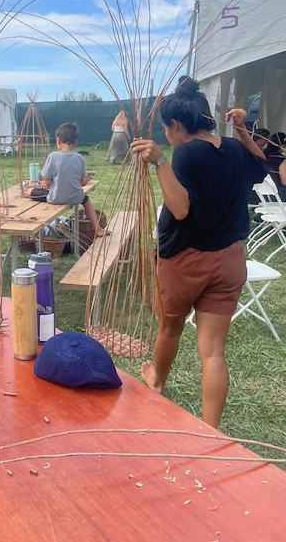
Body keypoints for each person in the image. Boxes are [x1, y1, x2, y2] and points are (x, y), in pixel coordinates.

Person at [132, 78, 267, 428]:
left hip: (186, 261)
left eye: (166, 130)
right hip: (230, 260)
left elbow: (179, 209)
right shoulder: (234, 149)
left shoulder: (187, 152)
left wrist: (160, 162)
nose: (167, 136)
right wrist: (241, 129)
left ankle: (158, 383)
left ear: (175, 125)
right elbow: (260, 164)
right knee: (212, 351)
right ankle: (211, 433)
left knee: (169, 329)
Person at [26, 122, 107, 237]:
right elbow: (84, 182)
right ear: (75, 143)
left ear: (58, 140)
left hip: (55, 198)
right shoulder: (79, 158)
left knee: (29, 192)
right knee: (86, 200)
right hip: (75, 197)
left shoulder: (52, 156)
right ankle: (98, 229)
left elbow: (47, 182)